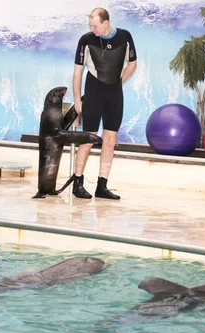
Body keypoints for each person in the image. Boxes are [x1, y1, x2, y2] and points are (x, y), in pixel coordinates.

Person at [70, 7, 137, 200]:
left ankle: (102, 185)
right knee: (88, 140)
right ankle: (78, 183)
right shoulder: (86, 40)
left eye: (95, 25)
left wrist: (118, 82)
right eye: (90, 26)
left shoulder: (125, 36)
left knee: (110, 141)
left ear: (105, 23)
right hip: (93, 93)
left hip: (114, 95)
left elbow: (132, 63)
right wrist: (77, 98)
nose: (92, 29)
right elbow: (77, 72)